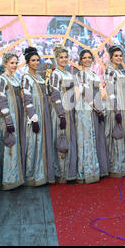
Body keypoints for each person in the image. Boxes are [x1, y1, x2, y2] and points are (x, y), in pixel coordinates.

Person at [21, 47, 55, 186]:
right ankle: (32, 175)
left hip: (44, 112)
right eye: (33, 60)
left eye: (37, 60)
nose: (36, 62)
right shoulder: (26, 78)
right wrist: (33, 117)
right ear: (28, 62)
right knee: (33, 144)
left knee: (43, 142)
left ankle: (43, 173)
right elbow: (27, 100)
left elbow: (46, 95)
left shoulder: (40, 77)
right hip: (34, 115)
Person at [74, 49, 109, 183]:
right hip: (85, 110)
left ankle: (96, 169)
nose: (87, 60)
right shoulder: (79, 75)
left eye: (89, 57)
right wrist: (97, 109)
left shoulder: (94, 75)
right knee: (86, 139)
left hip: (95, 109)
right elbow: (85, 94)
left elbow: (99, 93)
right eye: (84, 58)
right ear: (80, 60)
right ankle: (86, 172)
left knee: (96, 138)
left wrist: (100, 108)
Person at [103, 45, 125, 178]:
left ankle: (124, 165)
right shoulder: (109, 72)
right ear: (111, 57)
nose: (119, 58)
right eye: (116, 56)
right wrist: (116, 111)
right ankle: (116, 166)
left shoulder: (120, 72)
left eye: (120, 55)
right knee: (116, 135)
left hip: (123, 106)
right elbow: (111, 93)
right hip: (115, 108)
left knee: (123, 134)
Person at [0, 51, 26, 190]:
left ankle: (16, 176)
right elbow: (1, 100)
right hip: (9, 117)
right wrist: (8, 119)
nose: (14, 65)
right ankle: (8, 179)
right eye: (11, 63)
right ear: (5, 64)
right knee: (9, 144)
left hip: (18, 115)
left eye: (16, 63)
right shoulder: (1, 79)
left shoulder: (15, 79)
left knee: (16, 144)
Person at [48, 44, 78, 183]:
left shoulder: (67, 74)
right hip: (59, 110)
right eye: (61, 57)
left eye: (66, 57)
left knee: (69, 137)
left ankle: (69, 171)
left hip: (70, 109)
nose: (64, 59)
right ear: (56, 59)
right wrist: (61, 114)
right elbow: (54, 94)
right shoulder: (55, 74)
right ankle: (60, 172)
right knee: (60, 138)